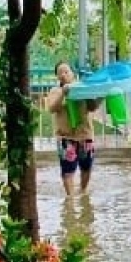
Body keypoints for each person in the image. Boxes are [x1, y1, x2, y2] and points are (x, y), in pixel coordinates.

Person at [45, 61, 98, 196]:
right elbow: (52, 108)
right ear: (57, 77)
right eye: (60, 73)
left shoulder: (83, 88)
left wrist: (93, 95)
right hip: (65, 136)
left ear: (73, 73)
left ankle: (83, 191)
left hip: (85, 134)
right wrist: (63, 93)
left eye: (66, 71)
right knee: (68, 169)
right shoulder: (55, 91)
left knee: (87, 166)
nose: (63, 75)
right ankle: (70, 197)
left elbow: (92, 107)